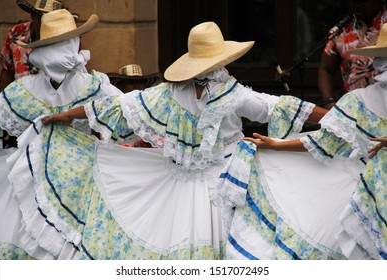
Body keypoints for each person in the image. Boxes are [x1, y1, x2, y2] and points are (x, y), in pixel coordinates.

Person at [39, 21, 327, 260]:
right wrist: (335, 119)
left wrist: (64, 116)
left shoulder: (167, 94)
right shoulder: (233, 94)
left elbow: (114, 109)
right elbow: (278, 107)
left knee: (179, 247)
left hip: (183, 186)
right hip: (225, 182)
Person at [219, 23, 387, 260]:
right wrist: (276, 145)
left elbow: (324, 143)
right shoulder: (358, 101)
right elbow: (324, 141)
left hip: (365, 186)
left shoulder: (358, 101)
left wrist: (277, 145)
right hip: (363, 184)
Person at [0, 9, 127, 260]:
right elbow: (129, 114)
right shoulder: (94, 86)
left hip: (41, 179)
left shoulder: (23, 91)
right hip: (79, 178)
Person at [0, 0, 67, 148]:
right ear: (33, 15)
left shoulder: (64, 36)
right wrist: (1, 107)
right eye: (40, 17)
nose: (45, 22)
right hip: (20, 108)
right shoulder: (17, 33)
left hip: (50, 109)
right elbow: (7, 71)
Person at [318, 0, 387, 109]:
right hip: (353, 108)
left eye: (363, 1)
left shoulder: (385, 27)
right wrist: (328, 101)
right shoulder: (343, 30)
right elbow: (325, 69)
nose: (357, 4)